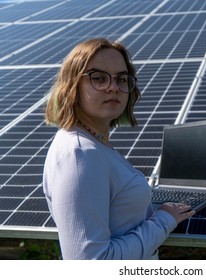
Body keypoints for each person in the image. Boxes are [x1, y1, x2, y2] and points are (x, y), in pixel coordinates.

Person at [43, 38, 195, 260]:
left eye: (121, 79)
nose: (113, 87)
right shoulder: (79, 155)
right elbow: (90, 262)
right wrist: (164, 220)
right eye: (98, 78)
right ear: (72, 85)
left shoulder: (94, 144)